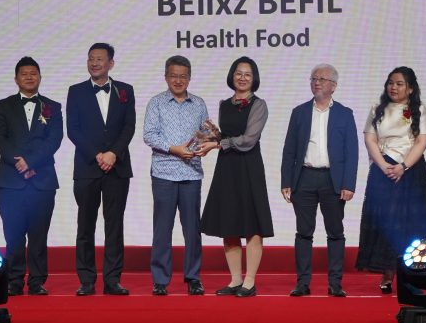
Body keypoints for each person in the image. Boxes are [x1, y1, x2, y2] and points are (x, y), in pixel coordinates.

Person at [355, 66, 426, 294]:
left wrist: (403, 166)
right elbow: (370, 139)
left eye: (400, 84)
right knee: (386, 222)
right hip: (383, 171)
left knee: (411, 222)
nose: (394, 87)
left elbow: (422, 141)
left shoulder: (420, 110)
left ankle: (412, 274)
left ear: (410, 89)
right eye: (391, 82)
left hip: (411, 171)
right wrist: (383, 165)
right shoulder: (377, 109)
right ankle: (387, 272)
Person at [280, 64, 358, 297]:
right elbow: (289, 150)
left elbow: (352, 152)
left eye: (322, 79)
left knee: (335, 232)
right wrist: (286, 181)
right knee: (304, 232)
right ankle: (302, 283)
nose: (316, 82)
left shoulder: (345, 114)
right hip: (304, 178)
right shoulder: (299, 112)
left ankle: (335, 283)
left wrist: (348, 184)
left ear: (333, 86)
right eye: (313, 78)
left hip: (333, 180)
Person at [143, 55, 218, 296]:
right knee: (162, 229)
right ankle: (160, 280)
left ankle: (193, 278)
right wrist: (174, 149)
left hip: (191, 173)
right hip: (164, 172)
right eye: (173, 76)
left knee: (192, 229)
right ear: (166, 77)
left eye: (183, 76)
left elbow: (205, 134)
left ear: (189, 78)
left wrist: (210, 138)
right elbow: (149, 135)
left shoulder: (199, 103)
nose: (178, 80)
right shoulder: (156, 103)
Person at [66, 43, 136, 296]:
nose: (94, 63)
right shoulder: (76, 91)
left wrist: (113, 153)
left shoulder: (125, 90)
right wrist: (97, 155)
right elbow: (73, 129)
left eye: (99, 59)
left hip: (117, 168)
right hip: (87, 167)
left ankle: (112, 280)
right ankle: (86, 280)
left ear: (111, 63)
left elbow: (129, 126)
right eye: (91, 59)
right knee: (85, 225)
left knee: (114, 226)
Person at [201, 57, 274, 297]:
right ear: (232, 76)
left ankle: (249, 282)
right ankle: (235, 280)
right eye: (239, 73)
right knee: (229, 224)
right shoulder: (224, 104)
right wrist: (214, 136)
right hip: (227, 167)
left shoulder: (259, 105)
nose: (242, 78)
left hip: (249, 167)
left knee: (253, 224)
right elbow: (228, 136)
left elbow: (249, 139)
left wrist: (218, 144)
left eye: (247, 74)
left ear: (254, 79)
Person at [0, 56, 62, 296]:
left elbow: (54, 140)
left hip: (42, 181)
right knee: (13, 235)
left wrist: (31, 162)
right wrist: (19, 163)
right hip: (11, 182)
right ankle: (14, 280)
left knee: (39, 236)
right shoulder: (3, 106)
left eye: (33, 73)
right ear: (16, 79)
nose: (29, 77)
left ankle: (37, 282)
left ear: (40, 77)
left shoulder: (53, 107)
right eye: (24, 73)